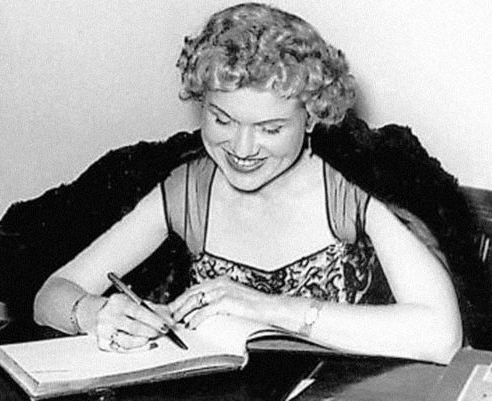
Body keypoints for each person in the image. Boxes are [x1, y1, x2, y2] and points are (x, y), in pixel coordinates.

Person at [30, 2, 464, 364]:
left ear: (312, 118)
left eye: (270, 129)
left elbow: (441, 336)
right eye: (222, 120)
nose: (241, 148)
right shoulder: (189, 190)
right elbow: (51, 295)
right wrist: (97, 313)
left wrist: (268, 308)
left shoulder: (351, 190)